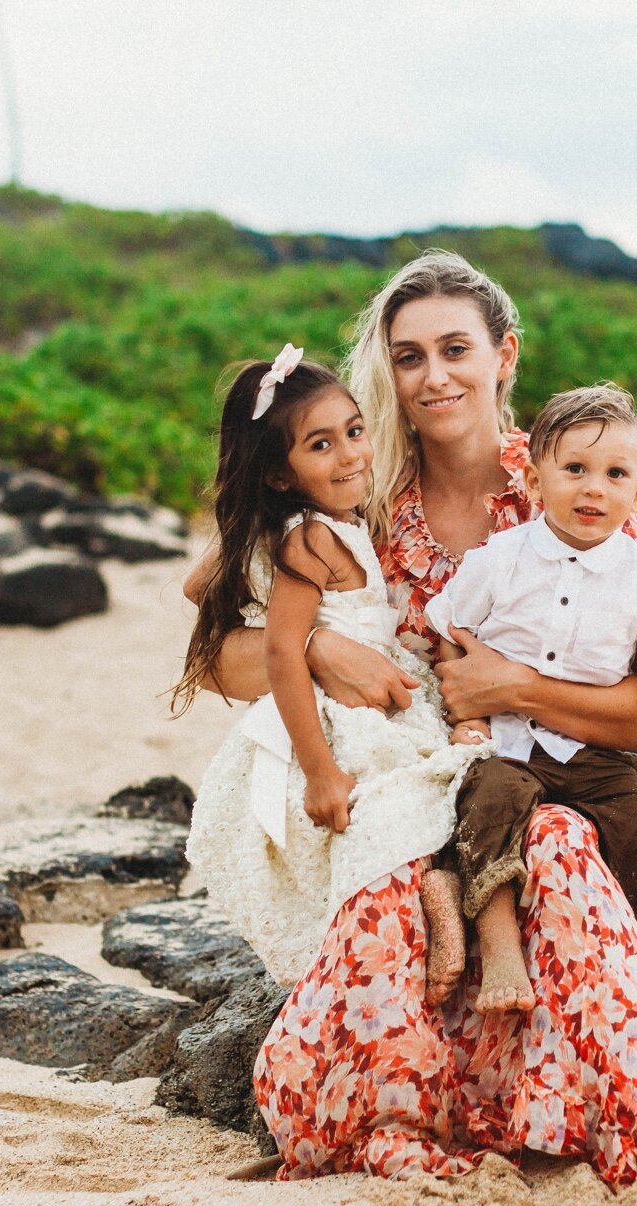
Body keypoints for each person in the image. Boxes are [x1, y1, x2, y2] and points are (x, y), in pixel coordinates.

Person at [186, 250, 637, 1187]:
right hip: (408, 774)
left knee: (561, 857)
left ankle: (594, 1114)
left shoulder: (576, 481)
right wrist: (327, 651)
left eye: (456, 348)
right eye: (408, 356)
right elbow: (218, 653)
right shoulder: (357, 484)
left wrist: (512, 690)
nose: (432, 376)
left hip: (547, 776)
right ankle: (413, 1117)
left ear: (506, 356)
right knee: (391, 903)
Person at [178, 346, 476, 989]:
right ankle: (432, 905)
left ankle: (434, 897)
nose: (350, 455)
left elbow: (196, 584)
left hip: (370, 691)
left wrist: (251, 524)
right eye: (320, 446)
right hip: (333, 717)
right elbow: (284, 650)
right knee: (393, 801)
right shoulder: (311, 538)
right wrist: (318, 772)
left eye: (354, 430)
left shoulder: (323, 523)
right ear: (280, 474)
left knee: (421, 792)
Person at [424, 382, 637, 1024]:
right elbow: (448, 631)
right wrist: (468, 718)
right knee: (491, 800)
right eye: (574, 469)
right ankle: (499, 948)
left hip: (587, 749)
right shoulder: (500, 559)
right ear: (534, 480)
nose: (593, 489)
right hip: (503, 742)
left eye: (615, 475)